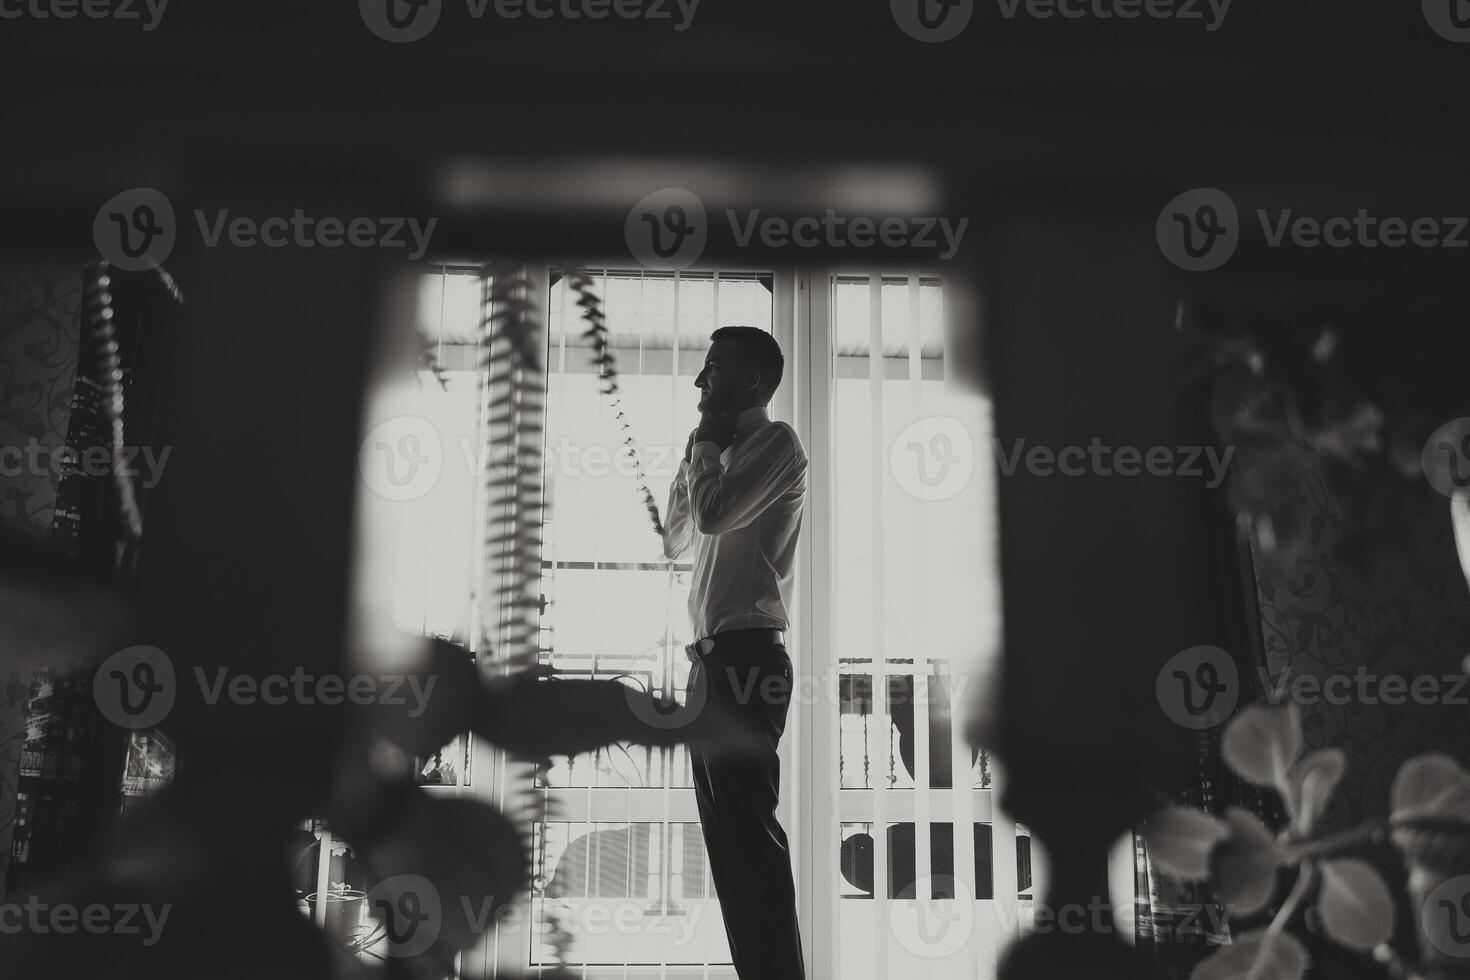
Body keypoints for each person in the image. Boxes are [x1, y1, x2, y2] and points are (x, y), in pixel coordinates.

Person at [662, 325, 809, 980]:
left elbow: (715, 517)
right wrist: (700, 449)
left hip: (749, 659)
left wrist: (710, 453)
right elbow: (676, 537)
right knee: (729, 847)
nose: (701, 381)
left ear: (750, 380)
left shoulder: (777, 444)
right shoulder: (717, 451)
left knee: (751, 841)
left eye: (712, 367)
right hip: (713, 664)